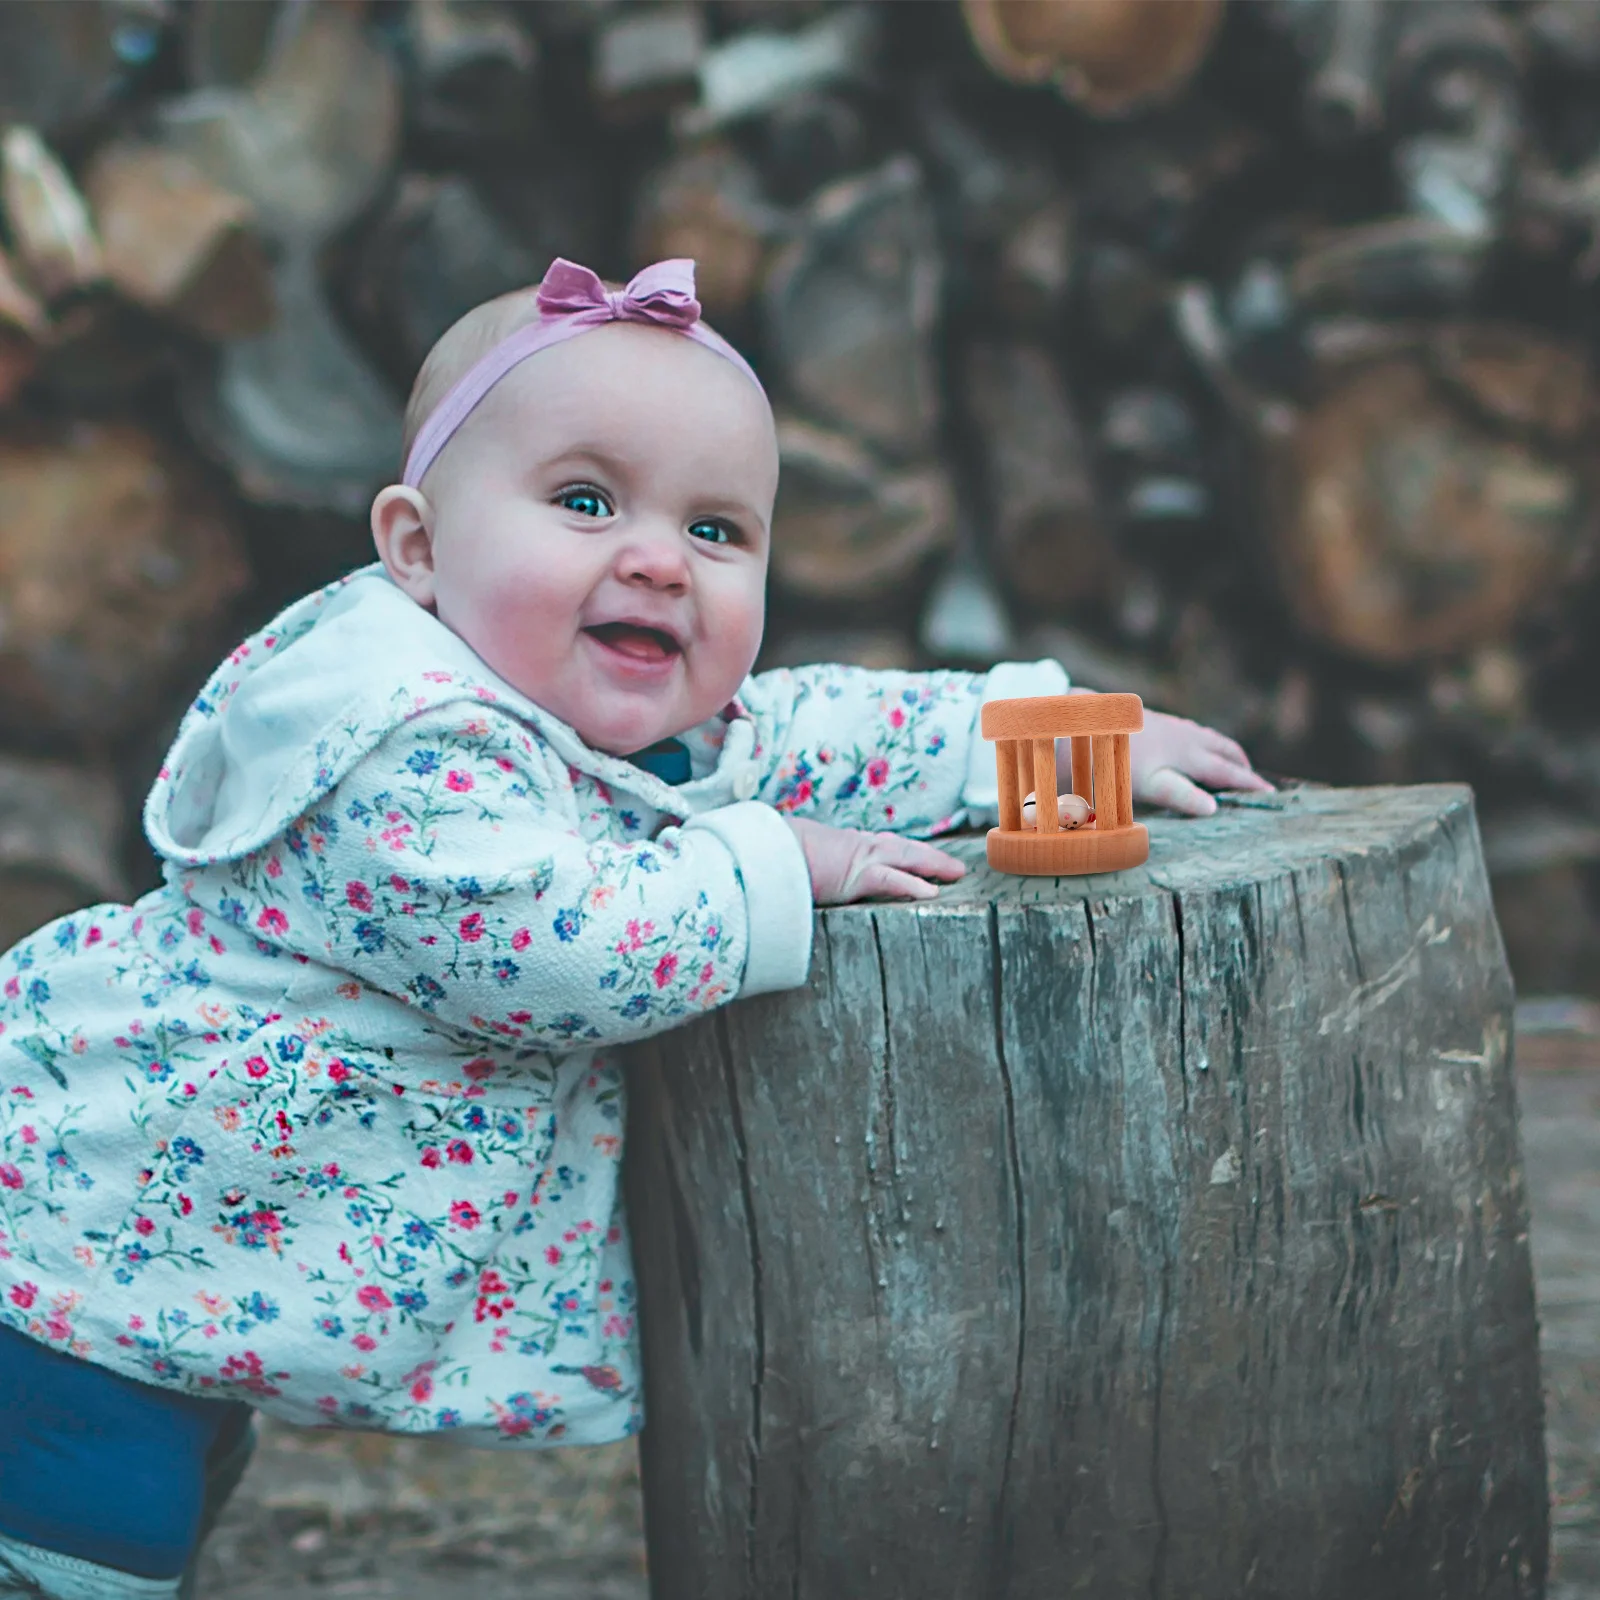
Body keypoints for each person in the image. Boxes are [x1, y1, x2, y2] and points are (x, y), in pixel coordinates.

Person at [0, 257, 1270, 1596]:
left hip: (199, 1253)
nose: (660, 559)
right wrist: (774, 868)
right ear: (417, 547)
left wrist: (1037, 738)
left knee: (157, 1485)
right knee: (87, 1525)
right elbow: (557, 950)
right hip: (86, 1214)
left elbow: (813, 731)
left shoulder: (618, 727)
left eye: (717, 530)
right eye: (585, 501)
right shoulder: (398, 744)